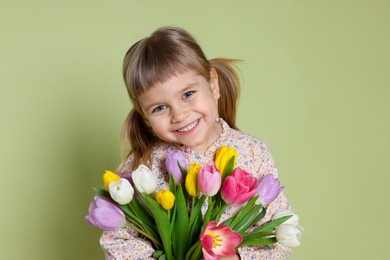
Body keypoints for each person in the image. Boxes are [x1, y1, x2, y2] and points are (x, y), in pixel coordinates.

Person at [100, 26, 293, 259]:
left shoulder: (253, 152)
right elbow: (117, 239)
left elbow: (279, 230)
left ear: (213, 84)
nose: (179, 115)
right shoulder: (144, 166)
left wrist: (239, 258)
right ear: (145, 117)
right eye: (160, 108)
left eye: (188, 94)